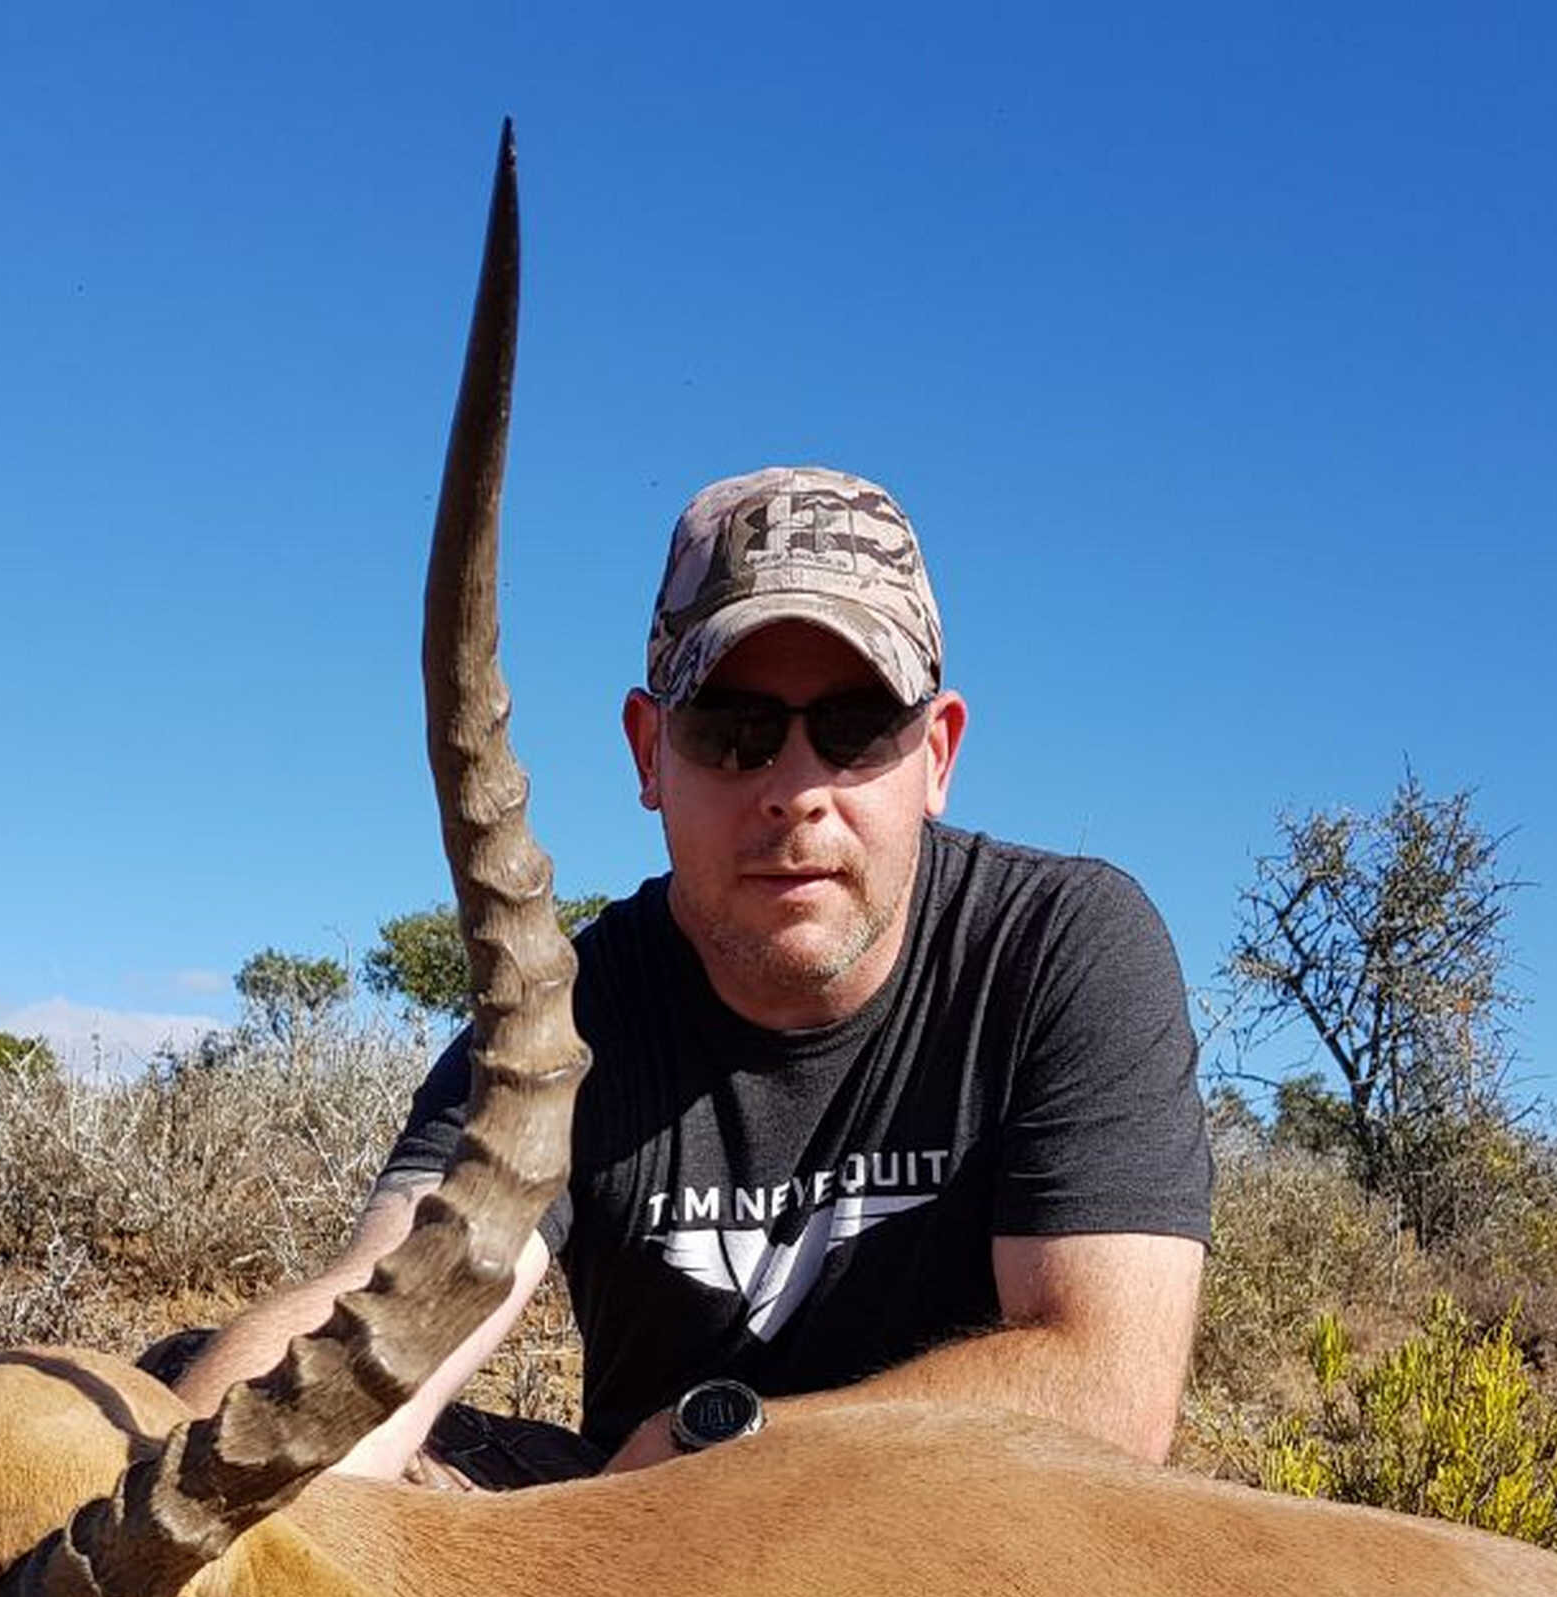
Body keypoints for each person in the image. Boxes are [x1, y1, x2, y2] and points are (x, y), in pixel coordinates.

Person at [164, 465, 1212, 1479]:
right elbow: (385, 1309)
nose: (798, 792)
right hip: (637, 1561)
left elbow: (1105, 1394)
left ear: (936, 754)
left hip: (954, 1557)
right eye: (734, 733)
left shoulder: (1065, 947)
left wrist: (725, 1452)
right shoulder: (568, 1013)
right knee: (187, 1392)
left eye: (855, 731)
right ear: (649, 752)